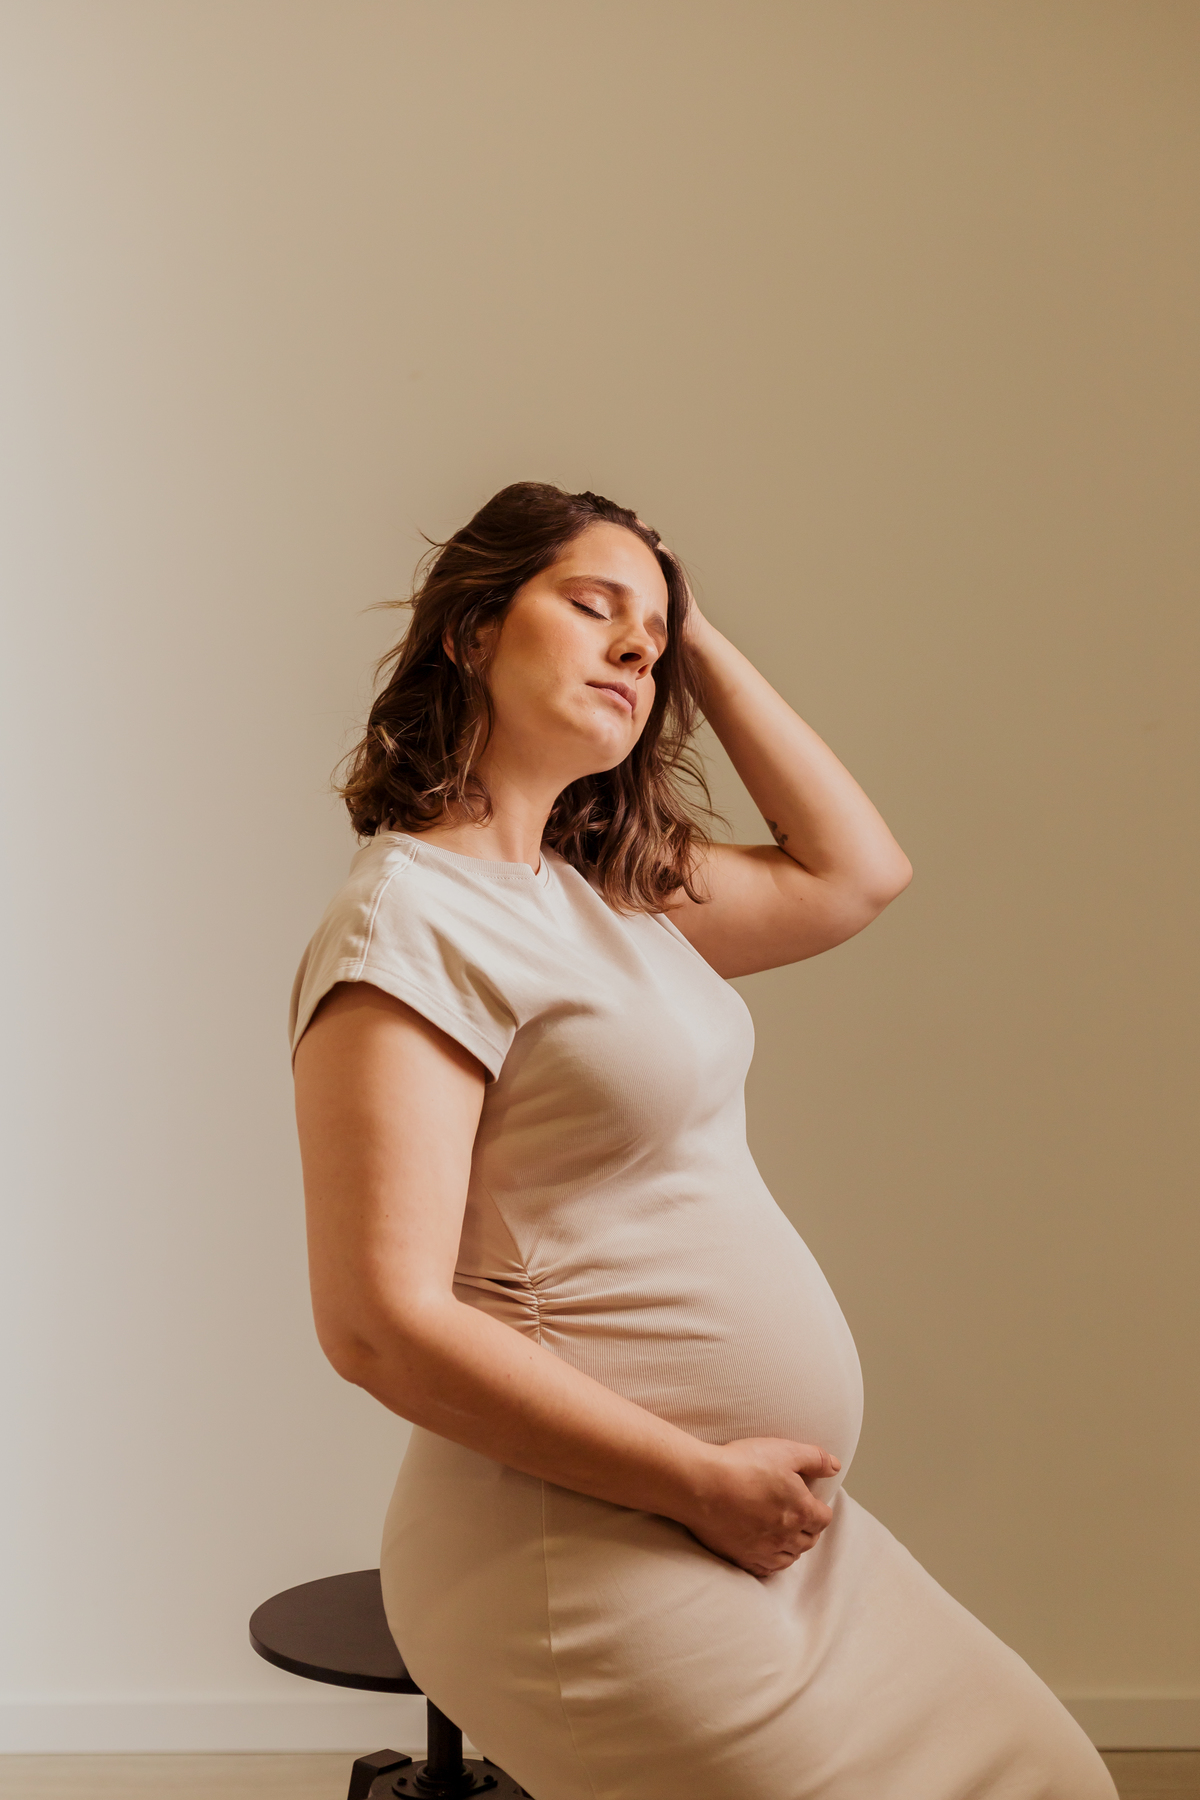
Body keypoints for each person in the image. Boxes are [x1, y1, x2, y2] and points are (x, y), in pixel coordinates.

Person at [290, 483, 1115, 1799]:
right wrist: (698, 1482)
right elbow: (375, 1322)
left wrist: (689, 631)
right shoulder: (411, 923)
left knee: (1049, 1779)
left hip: (763, 1534)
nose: (634, 646)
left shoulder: (595, 895)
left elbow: (856, 874)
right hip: (583, 1550)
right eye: (590, 606)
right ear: (469, 629)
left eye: (653, 635)